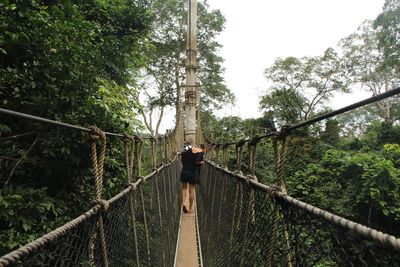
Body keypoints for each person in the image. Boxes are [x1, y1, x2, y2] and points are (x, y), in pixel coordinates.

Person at [179, 141, 204, 213]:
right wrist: (201, 163)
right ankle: (190, 208)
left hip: (184, 172)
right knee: (191, 190)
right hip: (193, 173)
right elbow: (197, 162)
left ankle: (183, 204)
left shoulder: (186, 152)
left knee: (184, 188)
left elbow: (182, 160)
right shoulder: (200, 152)